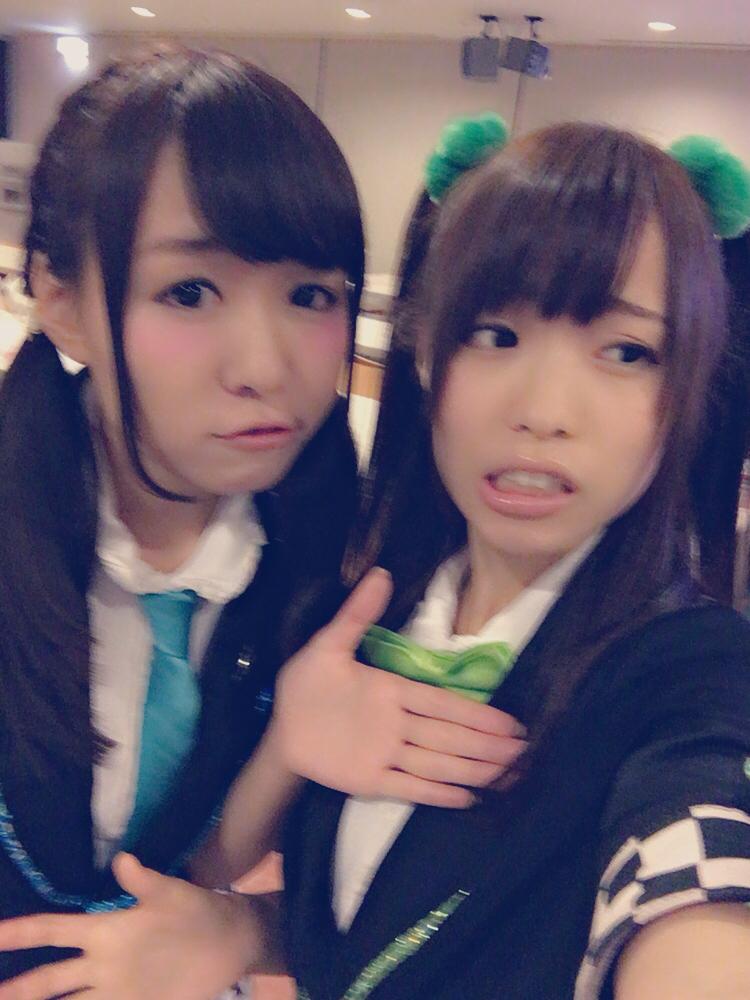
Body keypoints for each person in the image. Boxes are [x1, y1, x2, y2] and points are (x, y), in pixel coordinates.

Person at [0, 53, 524, 995]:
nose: (264, 367)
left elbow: (193, 881)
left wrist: (285, 755)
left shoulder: (334, 559)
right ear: (63, 303)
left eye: (310, 295)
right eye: (189, 293)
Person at [281, 119, 750, 999]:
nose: (544, 411)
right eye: (495, 335)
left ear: (685, 390)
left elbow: (698, 844)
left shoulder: (693, 666)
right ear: (426, 353)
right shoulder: (362, 611)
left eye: (626, 353)